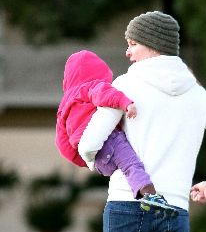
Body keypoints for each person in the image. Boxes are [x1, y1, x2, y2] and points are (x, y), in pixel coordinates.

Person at [78, 11, 206, 232]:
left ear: (153, 44)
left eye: (133, 44)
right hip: (174, 210)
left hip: (126, 204)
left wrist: (95, 163)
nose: (128, 52)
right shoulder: (197, 93)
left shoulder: (126, 84)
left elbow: (89, 143)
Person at [55, 49, 176, 211]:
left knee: (126, 166)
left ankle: (141, 192)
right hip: (108, 141)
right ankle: (149, 194)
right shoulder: (89, 87)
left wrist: (87, 160)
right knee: (132, 164)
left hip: (98, 162)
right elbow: (105, 94)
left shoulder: (63, 106)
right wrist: (125, 103)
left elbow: (62, 144)